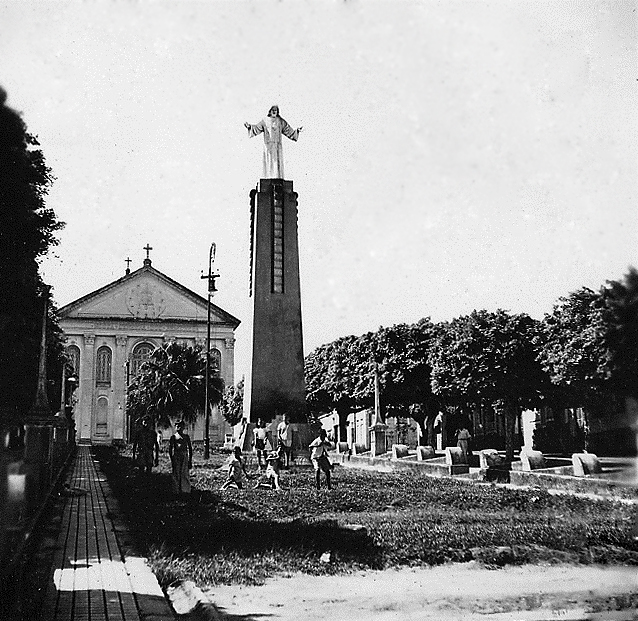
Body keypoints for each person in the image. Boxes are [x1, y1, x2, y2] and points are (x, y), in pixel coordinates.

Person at [244, 105, 302, 179]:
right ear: (270, 111)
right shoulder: (265, 120)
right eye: (273, 110)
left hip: (277, 147)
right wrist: (249, 127)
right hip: (268, 147)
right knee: (269, 164)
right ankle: (268, 178)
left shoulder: (281, 121)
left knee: (277, 164)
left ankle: (278, 178)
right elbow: (257, 128)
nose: (274, 111)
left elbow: (288, 131)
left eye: (276, 110)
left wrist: (297, 131)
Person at [169, 420, 193, 495]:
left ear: (183, 427)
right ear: (175, 427)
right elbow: (170, 449)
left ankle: (185, 490)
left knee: (184, 472)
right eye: (177, 426)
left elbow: (190, 448)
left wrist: (190, 460)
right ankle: (176, 490)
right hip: (176, 455)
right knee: (176, 473)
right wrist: (172, 459)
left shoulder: (186, 437)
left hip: (184, 455)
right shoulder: (173, 437)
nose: (179, 428)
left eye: (181, 426)